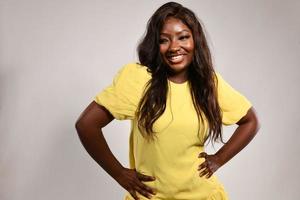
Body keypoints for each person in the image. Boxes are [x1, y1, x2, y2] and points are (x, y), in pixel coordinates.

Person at [75, 2, 260, 200]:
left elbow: (250, 121)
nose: (174, 47)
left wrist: (219, 159)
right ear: (156, 45)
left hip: (202, 195)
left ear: (195, 40)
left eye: (183, 37)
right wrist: (120, 174)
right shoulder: (139, 79)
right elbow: (86, 125)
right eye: (164, 40)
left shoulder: (208, 83)